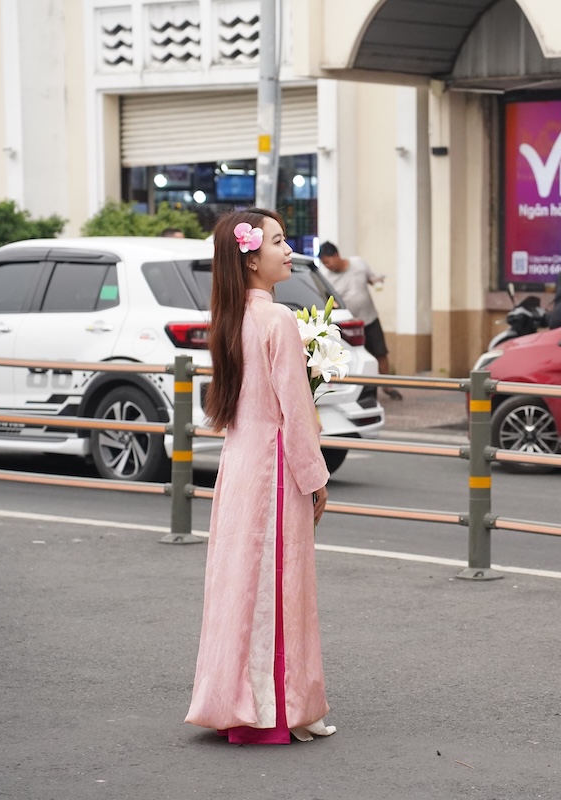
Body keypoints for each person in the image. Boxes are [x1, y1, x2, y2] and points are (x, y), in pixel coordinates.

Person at [186, 208, 335, 744]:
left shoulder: (230, 319)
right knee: (281, 585)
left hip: (239, 465)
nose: (288, 248)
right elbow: (294, 413)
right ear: (251, 260)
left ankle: (230, 699)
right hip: (274, 470)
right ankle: (284, 705)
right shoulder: (277, 321)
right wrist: (315, 479)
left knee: (237, 585)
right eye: (277, 241)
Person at [317, 241, 402, 400]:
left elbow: (371, 279)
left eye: (327, 261)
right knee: (352, 358)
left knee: (380, 353)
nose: (326, 266)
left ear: (336, 255)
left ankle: (388, 386)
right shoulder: (326, 278)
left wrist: (377, 281)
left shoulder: (358, 264)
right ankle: (359, 391)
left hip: (370, 319)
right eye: (323, 263)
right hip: (348, 326)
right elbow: (327, 300)